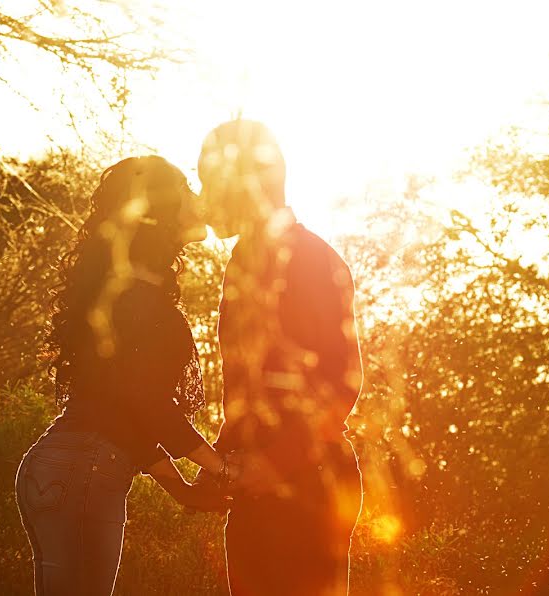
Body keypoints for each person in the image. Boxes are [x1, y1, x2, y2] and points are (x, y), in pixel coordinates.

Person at [15, 156, 235, 596]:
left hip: (58, 466)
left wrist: (183, 491)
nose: (198, 198)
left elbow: (119, 411)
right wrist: (221, 465)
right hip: (84, 472)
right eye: (187, 190)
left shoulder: (124, 291)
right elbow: (146, 402)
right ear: (161, 211)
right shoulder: (139, 300)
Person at [197, 119, 364, 595]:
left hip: (310, 487)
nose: (203, 196)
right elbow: (251, 389)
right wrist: (223, 459)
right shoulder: (243, 259)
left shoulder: (310, 259)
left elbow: (343, 382)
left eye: (209, 181)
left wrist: (272, 464)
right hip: (261, 489)